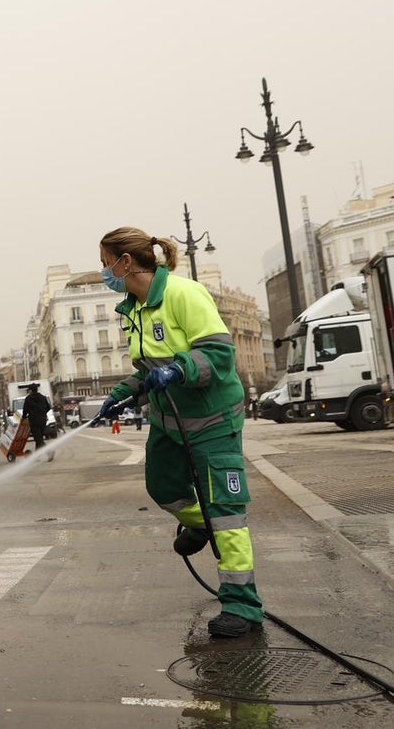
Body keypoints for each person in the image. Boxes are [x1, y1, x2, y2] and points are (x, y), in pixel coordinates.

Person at [96, 227, 263, 638]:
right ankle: (199, 522)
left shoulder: (184, 294)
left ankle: (243, 606)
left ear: (126, 262)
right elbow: (147, 368)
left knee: (224, 510)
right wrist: (122, 392)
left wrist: (180, 368)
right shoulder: (133, 309)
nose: (105, 273)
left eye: (105, 264)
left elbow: (219, 354)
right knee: (163, 485)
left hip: (212, 420)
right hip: (169, 421)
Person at [21, 384, 51, 452]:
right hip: (43, 420)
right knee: (39, 438)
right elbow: (48, 407)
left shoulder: (28, 398)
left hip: (34, 421)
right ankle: (37, 455)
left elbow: (25, 410)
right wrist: (43, 412)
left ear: (31, 390)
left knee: (38, 439)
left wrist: (24, 417)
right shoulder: (43, 397)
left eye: (28, 390)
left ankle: (49, 452)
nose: (28, 392)